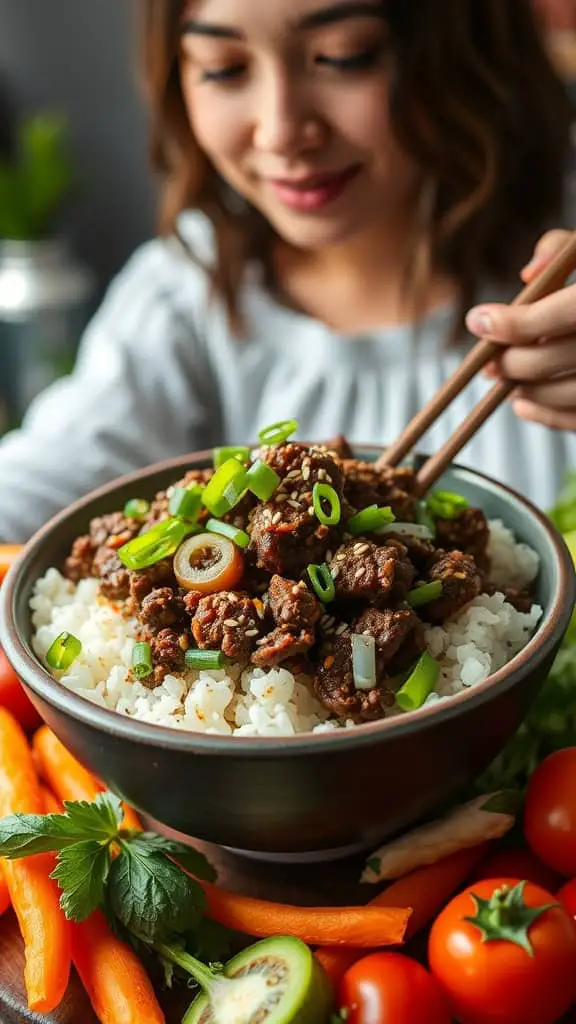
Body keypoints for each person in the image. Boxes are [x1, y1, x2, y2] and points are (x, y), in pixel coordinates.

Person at [0, 0, 575, 543]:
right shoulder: (187, 290)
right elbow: (36, 485)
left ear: (464, 45)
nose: (280, 130)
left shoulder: (558, 275)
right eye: (224, 69)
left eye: (344, 57)